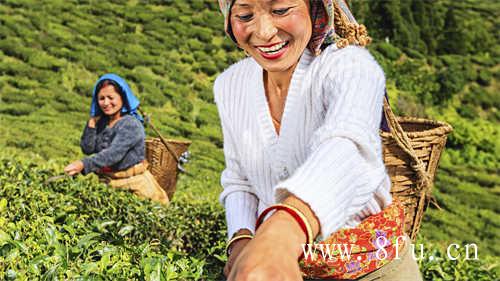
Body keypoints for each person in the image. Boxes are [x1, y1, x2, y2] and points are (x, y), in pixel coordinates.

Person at [215, 0, 422, 280]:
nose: (263, 32)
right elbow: (239, 178)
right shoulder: (231, 85)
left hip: (373, 270)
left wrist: (283, 233)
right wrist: (241, 241)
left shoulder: (350, 67)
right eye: (244, 15)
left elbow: (347, 147)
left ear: (315, 8)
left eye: (281, 10)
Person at [64, 73, 169, 205]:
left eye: (110, 98)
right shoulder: (102, 123)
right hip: (109, 183)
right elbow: (88, 148)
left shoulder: (131, 124)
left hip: (135, 184)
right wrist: (91, 123)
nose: (106, 103)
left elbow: (113, 154)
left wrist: (83, 164)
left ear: (122, 98)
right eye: (101, 98)